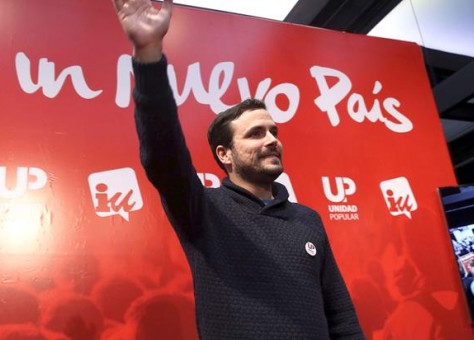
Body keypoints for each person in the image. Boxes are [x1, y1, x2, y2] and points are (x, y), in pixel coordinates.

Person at [111, 0, 364, 338]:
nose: (271, 139)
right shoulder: (202, 209)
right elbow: (163, 153)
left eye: (274, 131)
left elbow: (341, 315)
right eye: (256, 133)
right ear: (224, 155)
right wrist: (148, 54)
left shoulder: (308, 220)